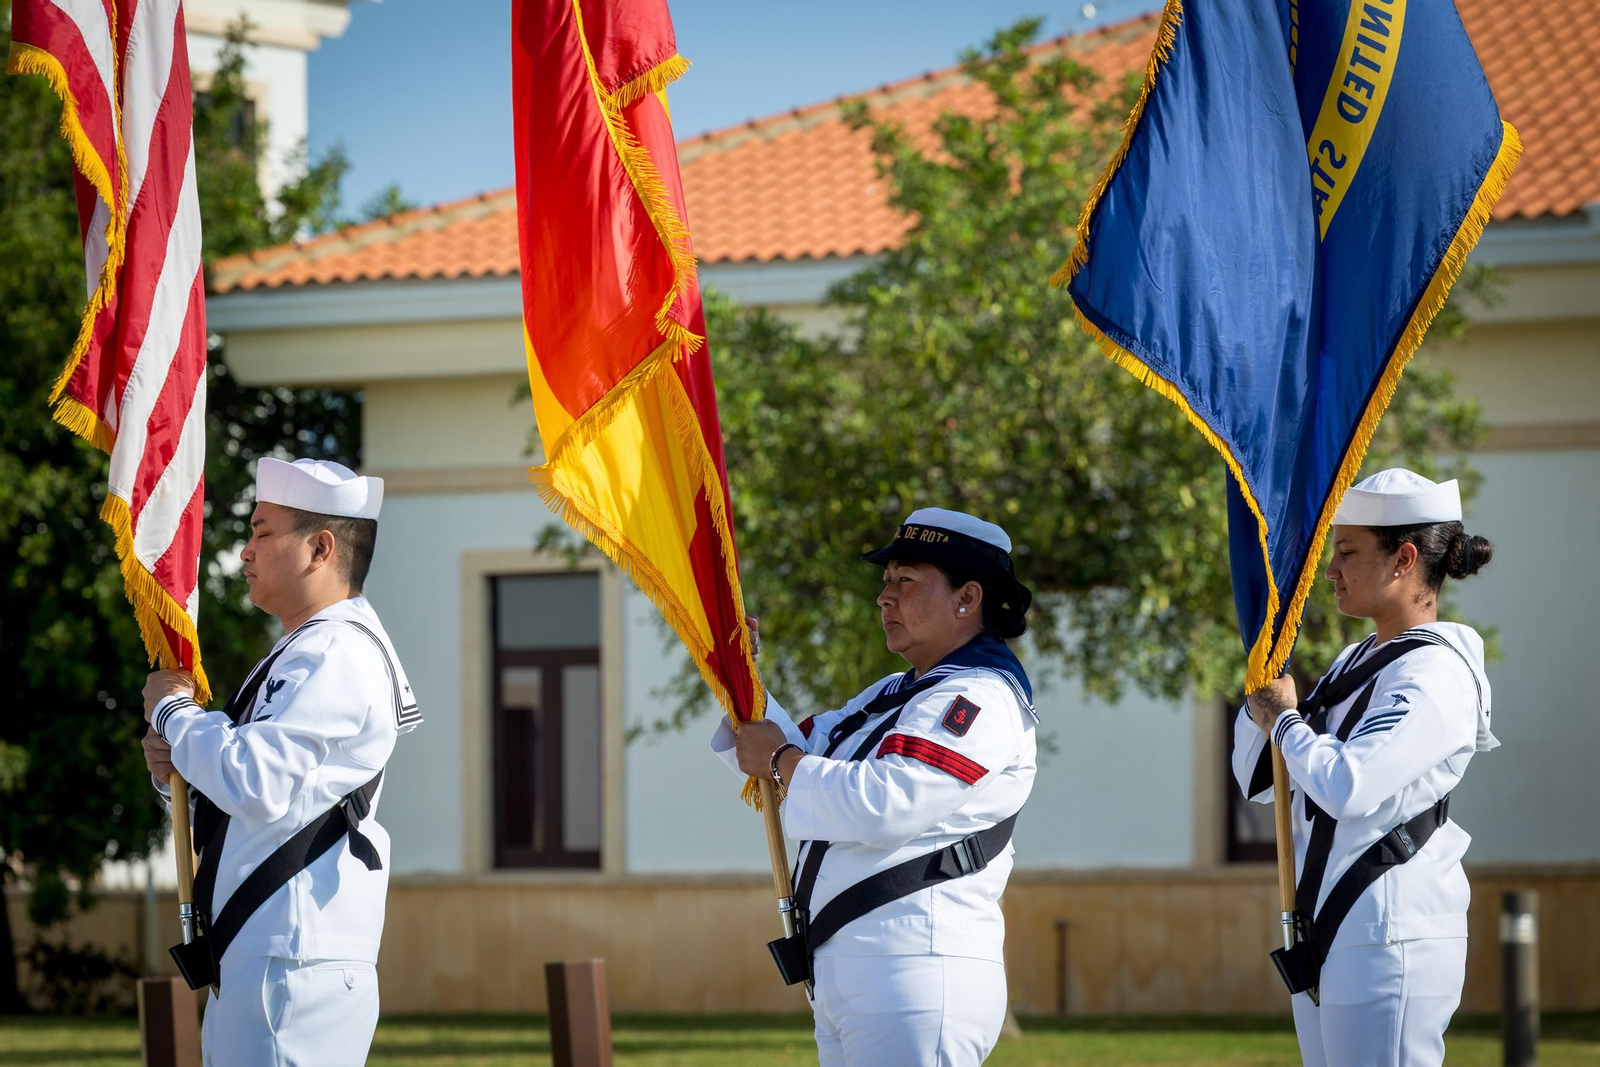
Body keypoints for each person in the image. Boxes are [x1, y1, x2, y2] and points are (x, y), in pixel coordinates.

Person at [716, 507, 1036, 1066]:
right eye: (885, 582)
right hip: (859, 973)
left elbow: (884, 802)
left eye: (906, 581)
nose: (884, 597)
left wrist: (780, 758)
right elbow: (800, 750)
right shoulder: (899, 691)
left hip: (915, 969)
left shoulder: (980, 696)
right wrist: (738, 671)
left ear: (967, 598)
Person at [141, 457, 420, 1067]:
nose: (245, 551)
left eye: (263, 532)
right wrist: (177, 777)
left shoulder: (334, 650)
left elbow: (255, 779)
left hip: (290, 961)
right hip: (270, 952)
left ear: (320, 548)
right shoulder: (308, 648)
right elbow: (255, 804)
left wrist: (174, 715)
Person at [1233, 468, 1498, 1067]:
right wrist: (1263, 685)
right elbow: (1258, 781)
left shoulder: (1434, 675)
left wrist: (1285, 721)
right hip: (1329, 934)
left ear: (1404, 559)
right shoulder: (1357, 660)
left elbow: (1347, 785)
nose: (1330, 570)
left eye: (1347, 552)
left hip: (1389, 936)